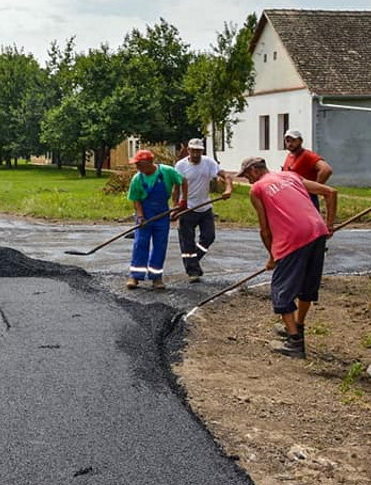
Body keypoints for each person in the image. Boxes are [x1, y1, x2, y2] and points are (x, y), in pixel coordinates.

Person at [240, 156, 337, 359]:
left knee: (281, 289)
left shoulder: (257, 189)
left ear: (256, 170)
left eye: (247, 174)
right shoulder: (291, 176)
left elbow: (265, 230)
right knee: (306, 288)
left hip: (293, 239)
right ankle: (298, 327)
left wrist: (273, 256)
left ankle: (295, 342)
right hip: (317, 232)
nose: (247, 178)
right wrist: (329, 225)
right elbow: (330, 192)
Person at [174, 138, 234, 283]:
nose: (195, 153)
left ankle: (192, 260)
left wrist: (228, 189)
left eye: (198, 151)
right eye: (193, 150)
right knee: (187, 241)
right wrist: (175, 207)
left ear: (202, 151)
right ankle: (193, 272)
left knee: (209, 237)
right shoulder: (180, 166)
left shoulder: (209, 163)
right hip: (187, 208)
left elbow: (226, 176)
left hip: (205, 207)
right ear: (188, 150)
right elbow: (176, 188)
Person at [125, 149, 186, 290]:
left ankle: (156, 277)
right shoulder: (137, 179)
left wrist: (181, 201)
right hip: (145, 216)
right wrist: (140, 217)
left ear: (148, 163)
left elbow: (182, 181)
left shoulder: (167, 172)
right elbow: (136, 200)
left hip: (162, 215)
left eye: (139, 165)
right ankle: (135, 276)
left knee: (160, 245)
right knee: (140, 243)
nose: (137, 168)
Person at [282, 129, 332, 209]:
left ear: (300, 141)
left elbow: (326, 170)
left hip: (306, 197)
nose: (290, 144)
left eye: (293, 140)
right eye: (288, 141)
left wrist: (316, 188)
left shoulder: (307, 155)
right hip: (293, 196)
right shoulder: (290, 156)